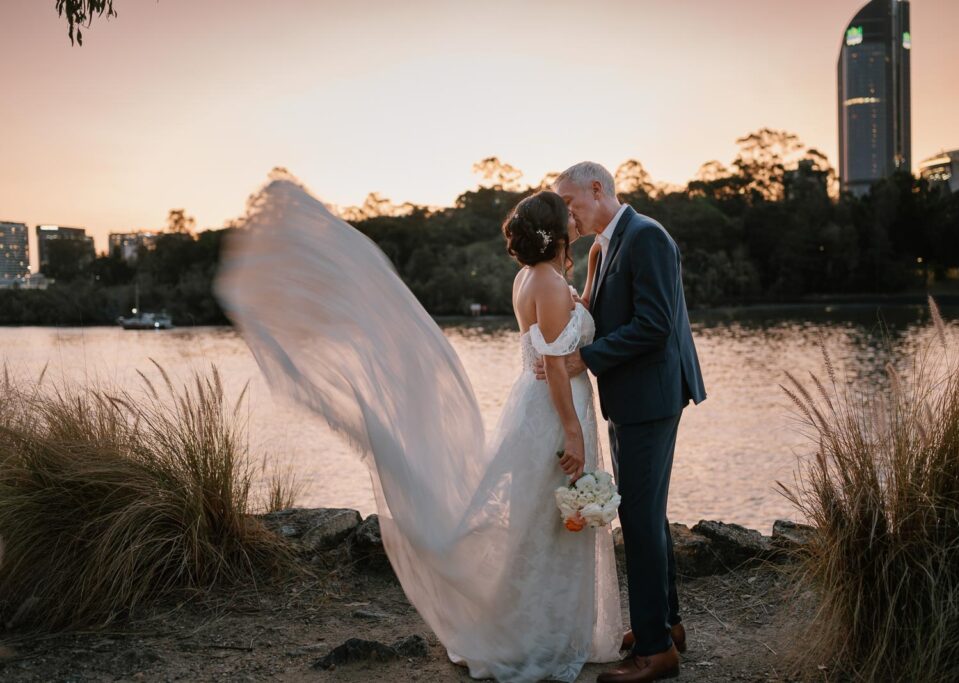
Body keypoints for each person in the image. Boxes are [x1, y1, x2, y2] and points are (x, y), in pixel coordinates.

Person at [216, 180, 621, 683]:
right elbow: (557, 367)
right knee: (552, 526)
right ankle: (541, 637)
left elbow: (564, 323)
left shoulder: (530, 281)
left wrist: (593, 269)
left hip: (531, 408)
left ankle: (532, 628)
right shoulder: (551, 286)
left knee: (534, 524)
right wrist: (574, 435)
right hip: (555, 413)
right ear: (557, 232)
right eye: (569, 220)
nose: (576, 224)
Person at [540, 161, 707, 683]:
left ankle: (656, 655)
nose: (568, 216)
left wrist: (584, 360)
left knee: (637, 518)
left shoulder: (646, 237)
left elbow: (655, 326)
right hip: (629, 397)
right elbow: (606, 314)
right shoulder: (605, 246)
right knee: (647, 515)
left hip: (652, 396)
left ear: (598, 189)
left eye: (571, 204)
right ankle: (666, 625)